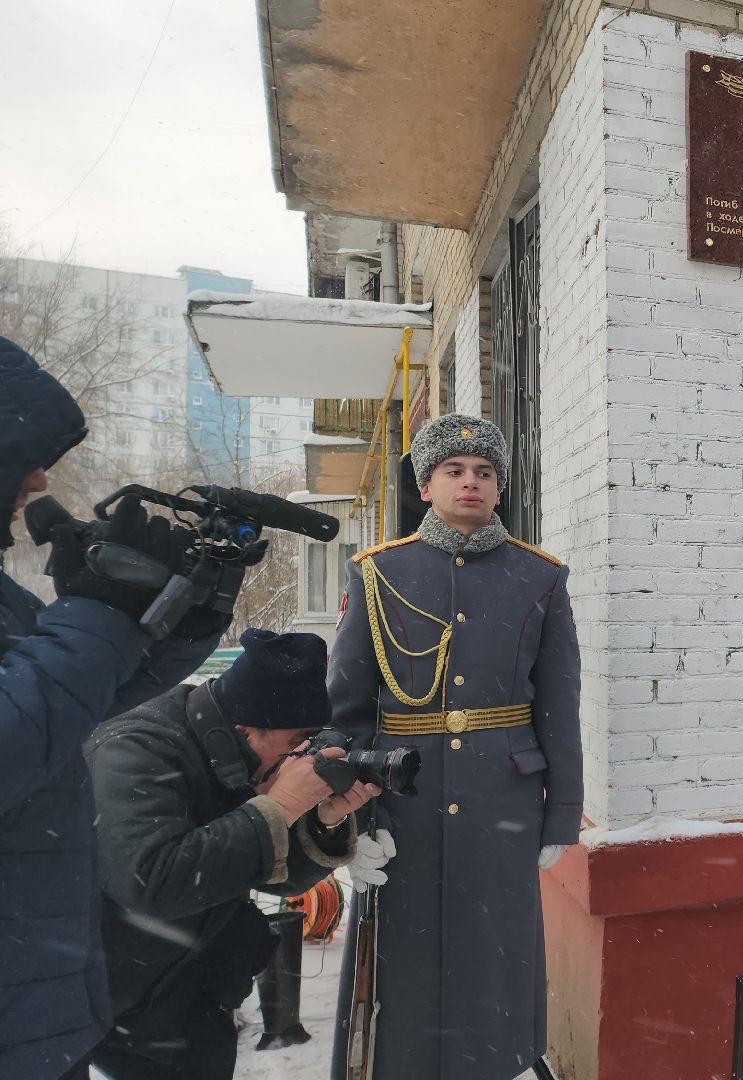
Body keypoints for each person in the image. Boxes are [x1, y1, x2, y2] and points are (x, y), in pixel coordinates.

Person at [0, 336, 232, 1080]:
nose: (39, 478)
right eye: (23, 454)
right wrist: (98, 611)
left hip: (36, 1008)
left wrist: (190, 602)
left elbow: (78, 702)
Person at [327, 413, 581, 1080]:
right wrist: (347, 820)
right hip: (401, 802)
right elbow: (347, 713)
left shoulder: (541, 578)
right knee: (402, 967)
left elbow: (559, 706)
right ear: (427, 484)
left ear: (499, 488)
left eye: (484, 472)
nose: (470, 482)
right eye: (454, 471)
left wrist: (563, 812)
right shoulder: (378, 574)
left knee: (498, 958)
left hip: (504, 798)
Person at [86, 629, 379, 1080]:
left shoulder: (234, 745)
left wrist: (322, 820)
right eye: (293, 744)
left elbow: (275, 878)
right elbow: (150, 881)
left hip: (194, 990)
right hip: (115, 995)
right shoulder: (135, 747)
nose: (299, 760)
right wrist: (279, 808)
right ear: (246, 730)